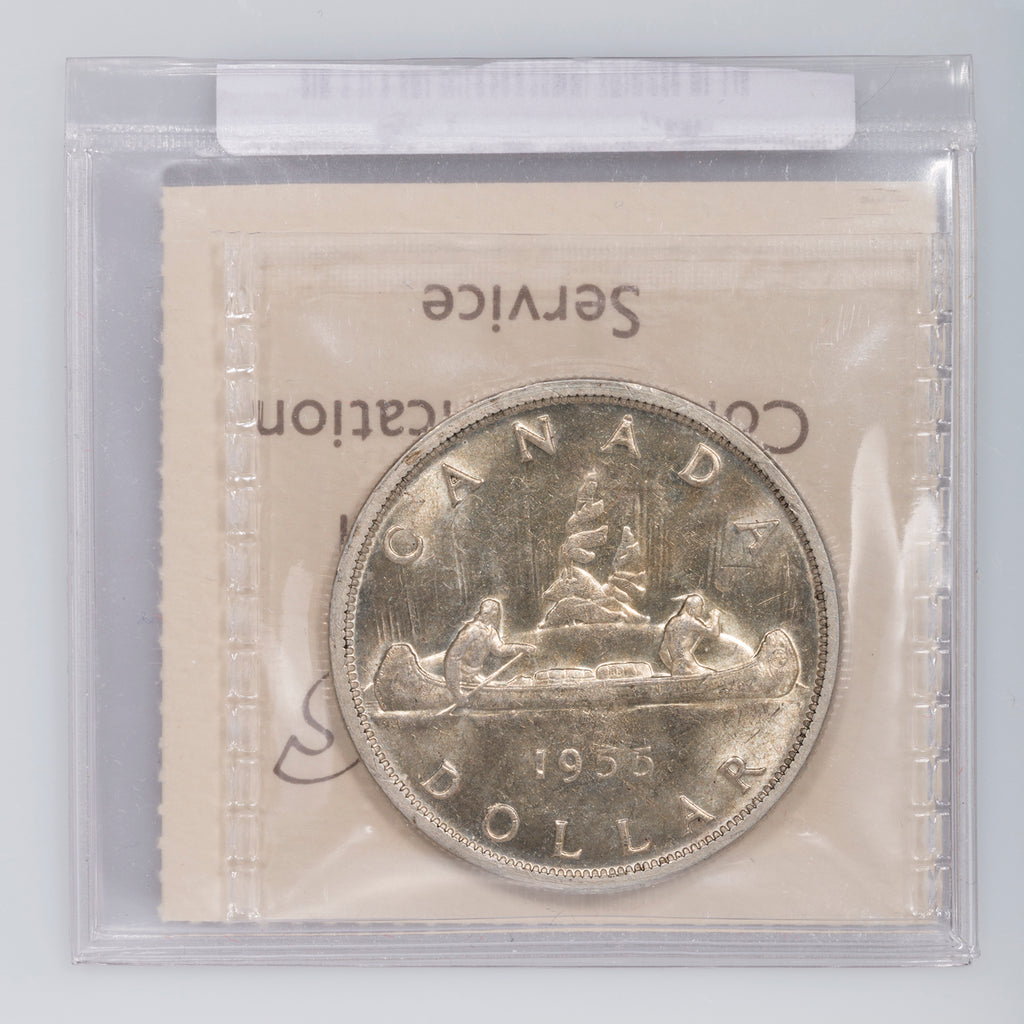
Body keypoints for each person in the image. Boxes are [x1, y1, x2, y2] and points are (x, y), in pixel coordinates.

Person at [443, 599, 534, 701]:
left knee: (498, 685)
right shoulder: (471, 630)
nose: (498, 615)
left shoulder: (490, 631)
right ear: (486, 614)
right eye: (495, 612)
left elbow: (500, 649)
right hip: (461, 676)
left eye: (497, 611)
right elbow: (453, 657)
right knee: (495, 687)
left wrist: (521, 648)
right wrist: (455, 691)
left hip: (474, 675)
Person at [659, 593, 721, 676]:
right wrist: (715, 618)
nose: (702, 609)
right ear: (693, 607)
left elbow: (662, 651)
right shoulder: (691, 621)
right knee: (714, 675)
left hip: (676, 669)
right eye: (701, 606)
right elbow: (714, 633)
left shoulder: (672, 622)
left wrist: (674, 668)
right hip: (690, 667)